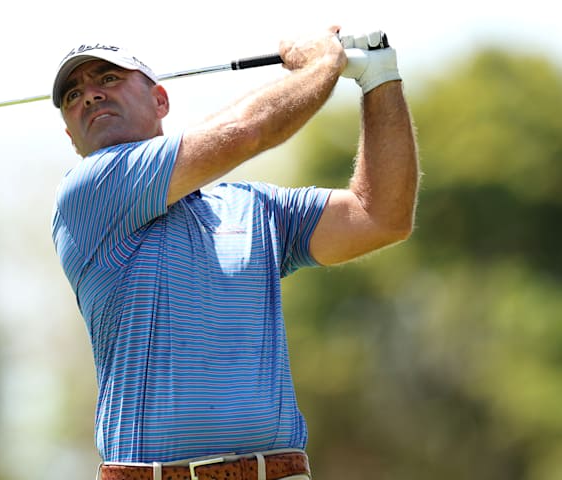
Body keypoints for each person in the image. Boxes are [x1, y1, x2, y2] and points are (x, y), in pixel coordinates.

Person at [50, 26, 419, 480]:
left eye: (108, 79)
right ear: (71, 137)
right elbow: (245, 132)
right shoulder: (89, 194)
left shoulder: (252, 206)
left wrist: (379, 78)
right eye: (72, 95)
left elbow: (380, 215)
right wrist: (324, 65)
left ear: (160, 101)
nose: (89, 96)